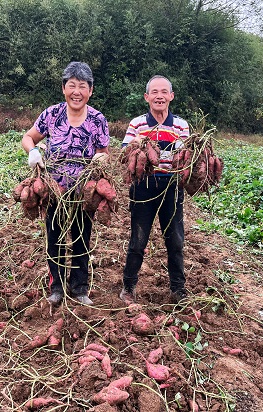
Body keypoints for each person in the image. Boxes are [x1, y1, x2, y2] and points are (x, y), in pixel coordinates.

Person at [21, 61, 110, 306]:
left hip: (84, 191)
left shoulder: (97, 119)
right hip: (55, 190)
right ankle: (57, 287)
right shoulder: (52, 114)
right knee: (55, 238)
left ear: (90, 90)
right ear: (64, 88)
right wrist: (33, 151)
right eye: (72, 85)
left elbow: (103, 151)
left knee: (82, 238)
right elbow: (28, 137)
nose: (77, 91)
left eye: (82, 86)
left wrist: (99, 161)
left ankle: (80, 288)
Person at [119, 75, 190, 305]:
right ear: (146, 97)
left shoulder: (181, 125)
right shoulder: (137, 123)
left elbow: (189, 156)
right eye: (154, 92)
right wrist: (138, 143)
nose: (159, 96)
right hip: (143, 186)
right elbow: (124, 153)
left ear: (171, 96)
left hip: (171, 186)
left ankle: (178, 289)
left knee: (175, 240)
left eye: (164, 92)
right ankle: (128, 287)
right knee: (138, 240)